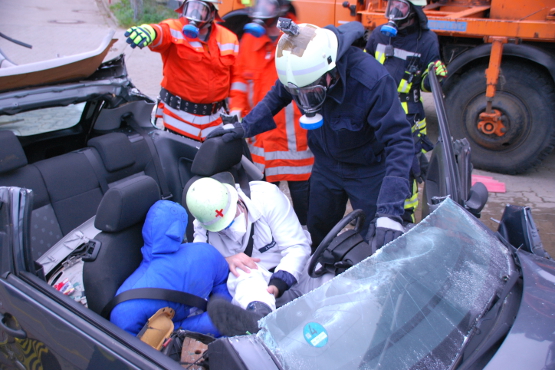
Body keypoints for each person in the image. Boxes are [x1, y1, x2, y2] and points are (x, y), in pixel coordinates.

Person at [208, 20, 414, 253]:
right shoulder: (299, 70)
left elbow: (400, 142)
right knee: (320, 232)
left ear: (330, 71)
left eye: (311, 92)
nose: (304, 100)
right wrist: (244, 128)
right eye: (298, 94)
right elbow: (275, 98)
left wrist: (390, 210)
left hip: (367, 169)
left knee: (377, 237)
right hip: (326, 166)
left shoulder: (371, 81)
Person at [185, 176, 313, 335]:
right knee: (243, 273)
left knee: (328, 280)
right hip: (256, 289)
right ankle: (258, 320)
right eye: (222, 227)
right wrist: (225, 261)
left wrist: (280, 281)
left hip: (296, 273)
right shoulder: (202, 226)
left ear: (237, 199)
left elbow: (297, 247)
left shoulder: (267, 196)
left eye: (232, 218)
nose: (230, 228)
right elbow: (200, 266)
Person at [228, 0, 313, 226]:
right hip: (262, 148)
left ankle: (312, 251)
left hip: (298, 147)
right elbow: (240, 78)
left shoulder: (301, 39)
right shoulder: (251, 40)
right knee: (263, 215)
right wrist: (236, 106)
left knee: (307, 216)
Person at [364, 0, 447, 224]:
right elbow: (365, 66)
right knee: (371, 165)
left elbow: (428, 87)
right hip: (374, 113)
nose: (393, 12)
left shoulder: (427, 40)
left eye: (400, 6)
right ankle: (371, 214)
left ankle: (403, 217)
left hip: (407, 119)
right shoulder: (379, 35)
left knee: (406, 168)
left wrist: (435, 76)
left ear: (413, 11)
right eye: (391, 4)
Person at [110, 200, 232, 337]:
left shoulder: (126, 306)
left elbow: (132, 349)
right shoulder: (207, 252)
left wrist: (176, 331)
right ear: (179, 231)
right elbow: (223, 282)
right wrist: (218, 317)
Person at [124, 0, 239, 141]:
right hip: (179, 119)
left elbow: (237, 79)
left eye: (200, 8)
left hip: (214, 122)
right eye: (191, 7)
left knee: (210, 161)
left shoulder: (229, 38)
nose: (194, 13)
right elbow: (161, 32)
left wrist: (237, 111)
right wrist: (151, 31)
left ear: (212, 12)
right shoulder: (174, 29)